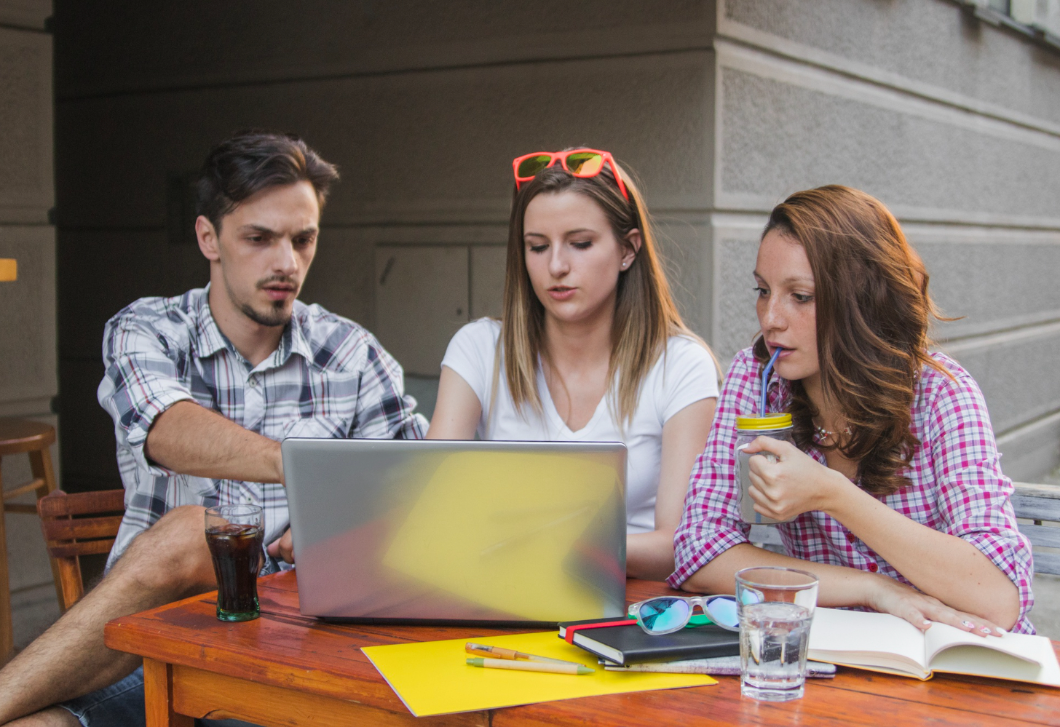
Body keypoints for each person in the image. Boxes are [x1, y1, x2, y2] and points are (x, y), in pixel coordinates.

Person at [0, 130, 426, 726]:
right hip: (157, 643)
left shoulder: (353, 354)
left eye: (303, 240)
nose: (286, 263)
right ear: (209, 238)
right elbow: (165, 430)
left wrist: (345, 527)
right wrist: (308, 469)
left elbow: (415, 493)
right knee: (191, 536)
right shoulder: (145, 329)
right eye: (259, 238)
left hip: (297, 650)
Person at [670, 185, 1034, 634]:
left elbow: (998, 599)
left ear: (864, 300)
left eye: (800, 296)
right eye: (763, 290)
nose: (770, 318)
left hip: (957, 660)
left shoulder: (941, 394)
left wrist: (833, 494)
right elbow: (700, 550)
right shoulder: (760, 378)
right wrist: (871, 587)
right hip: (845, 657)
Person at [428, 149, 719, 580]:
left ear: (628, 250)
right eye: (537, 247)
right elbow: (431, 506)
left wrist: (557, 546)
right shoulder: (478, 348)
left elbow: (680, 545)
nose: (556, 266)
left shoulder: (681, 365)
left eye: (580, 244)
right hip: (498, 595)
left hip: (631, 609)